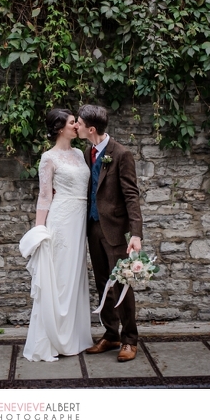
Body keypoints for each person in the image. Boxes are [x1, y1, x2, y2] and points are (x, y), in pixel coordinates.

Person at [21, 108, 94, 362]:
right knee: (60, 277)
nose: (77, 125)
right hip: (61, 220)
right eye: (73, 122)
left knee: (74, 276)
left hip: (79, 221)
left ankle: (73, 337)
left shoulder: (80, 154)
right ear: (60, 128)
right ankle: (52, 337)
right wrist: (39, 230)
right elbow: (44, 196)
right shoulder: (48, 158)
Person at [77, 104, 144, 362]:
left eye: (79, 123)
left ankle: (129, 339)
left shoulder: (121, 154)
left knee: (122, 284)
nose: (76, 126)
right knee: (103, 282)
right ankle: (111, 334)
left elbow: (131, 195)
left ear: (91, 129)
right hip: (93, 228)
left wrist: (135, 234)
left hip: (115, 230)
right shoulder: (88, 152)